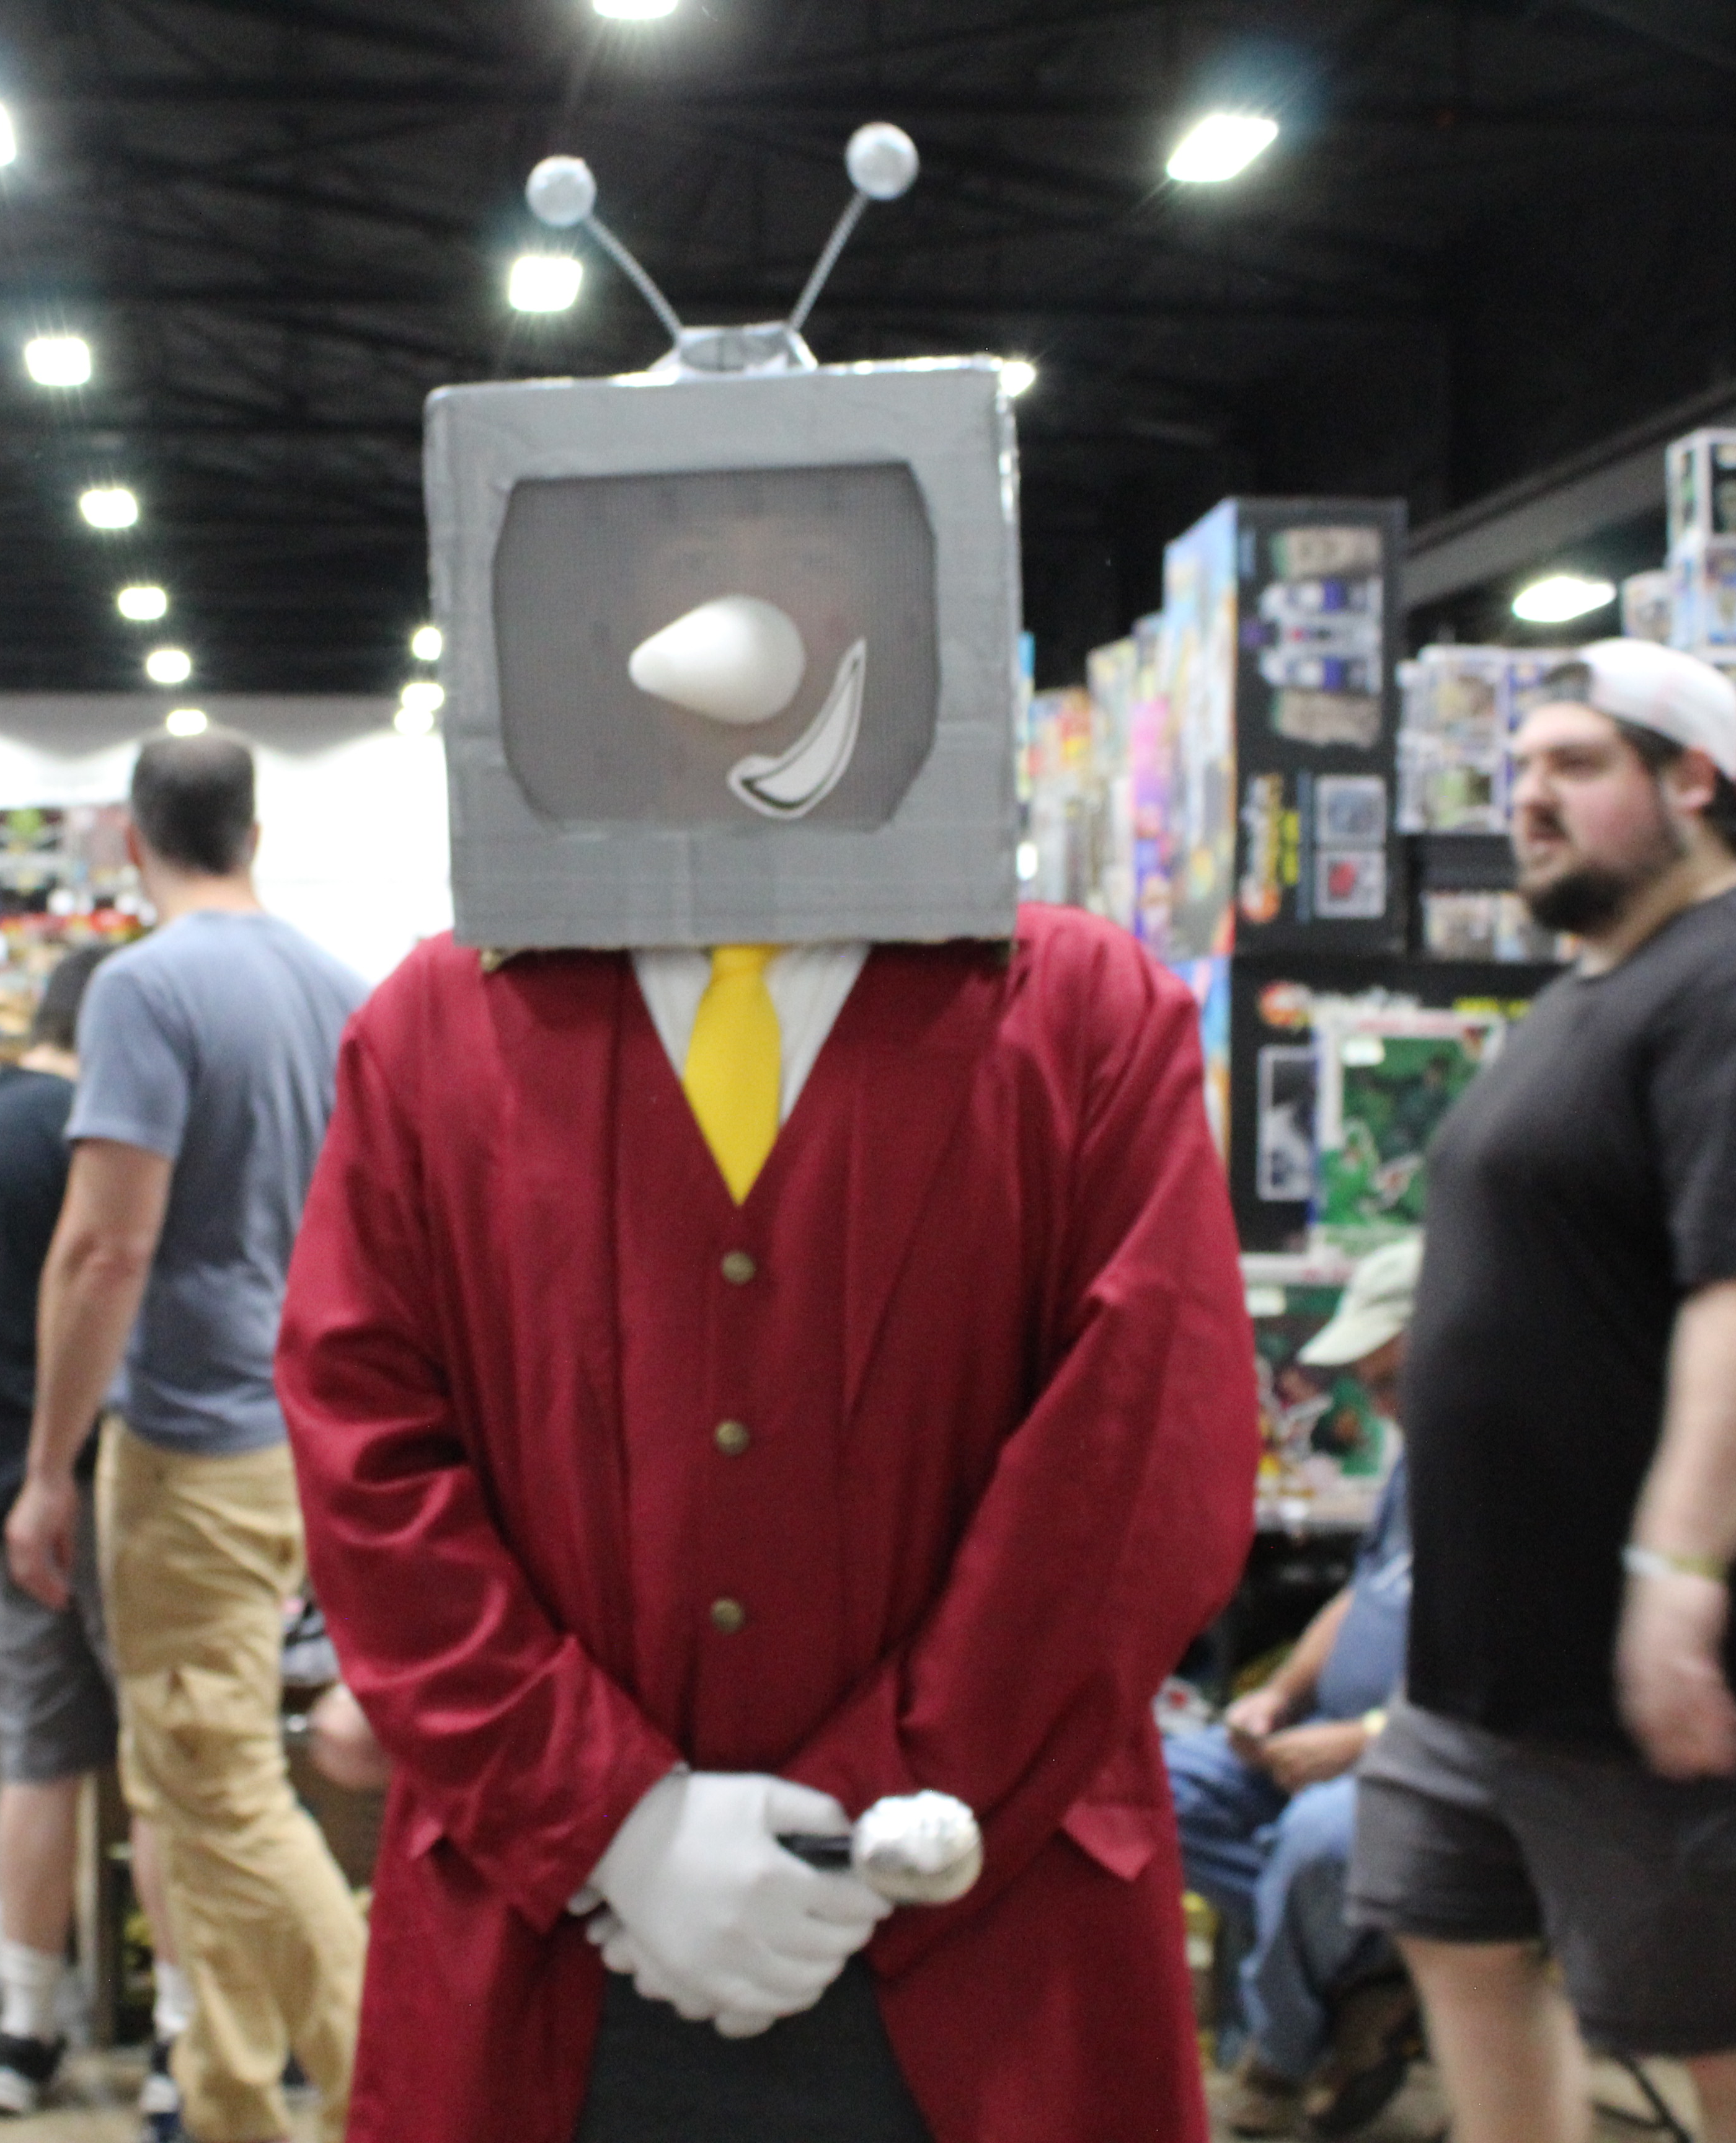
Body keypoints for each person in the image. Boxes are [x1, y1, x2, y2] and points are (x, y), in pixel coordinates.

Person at [273, 138, 1257, 2143]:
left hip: (974, 1934)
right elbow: (367, 1445)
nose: (735, 601)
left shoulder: (1084, 1015)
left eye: (797, 543)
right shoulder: (432, 1028)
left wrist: (880, 1800)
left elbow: (1139, 1456)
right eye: (673, 551)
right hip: (563, 1949)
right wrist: (610, 1819)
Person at [1350, 639, 1736, 2143]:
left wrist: (1679, 1572)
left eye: (1577, 765)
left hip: (1688, 1665)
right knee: (1447, 1928)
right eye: (1520, 768)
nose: (1529, 799)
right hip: (1494, 1671)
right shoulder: (1591, 995)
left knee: (1735, 2045)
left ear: (1692, 781)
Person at [6, 732, 370, 2143]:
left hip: (195, 1443)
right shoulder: (334, 985)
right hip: (299, 1429)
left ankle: (390, 2089)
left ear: (128, 836)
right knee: (180, 1775)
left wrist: (47, 1467)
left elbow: (105, 1248)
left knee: (216, 1791)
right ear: (253, 831)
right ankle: (228, 2101)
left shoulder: (143, 987)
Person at [0, 944, 187, 2123]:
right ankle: (181, 2033)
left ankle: (18, 2032)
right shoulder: (94, 1141)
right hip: (110, 1485)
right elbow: (112, 1274)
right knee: (164, 1769)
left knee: (34, 1763)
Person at [1165, 1239, 1423, 2137]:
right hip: (1331, 1739)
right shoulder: (1417, 1464)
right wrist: (1279, 1697)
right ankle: (1364, 1974)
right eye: (1370, 1386)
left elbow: (1510, 1687)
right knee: (1140, 1785)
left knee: (1318, 1843)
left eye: (1393, 1382)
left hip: (1422, 1765)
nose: (1379, 1406)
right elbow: (1365, 1594)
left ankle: (1278, 2056)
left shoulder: (1527, 1470)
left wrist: (1361, 1742)